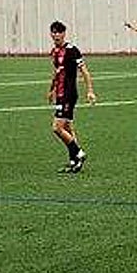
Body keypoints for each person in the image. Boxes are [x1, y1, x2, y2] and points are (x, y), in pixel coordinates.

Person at [49, 21, 96, 174]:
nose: (56, 35)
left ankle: (78, 152)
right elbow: (56, 72)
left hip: (69, 94)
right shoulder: (55, 51)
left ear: (64, 33)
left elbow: (85, 72)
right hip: (60, 94)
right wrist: (51, 90)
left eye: (59, 32)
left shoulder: (72, 50)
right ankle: (74, 161)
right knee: (68, 127)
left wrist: (90, 91)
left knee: (57, 128)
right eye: (53, 32)